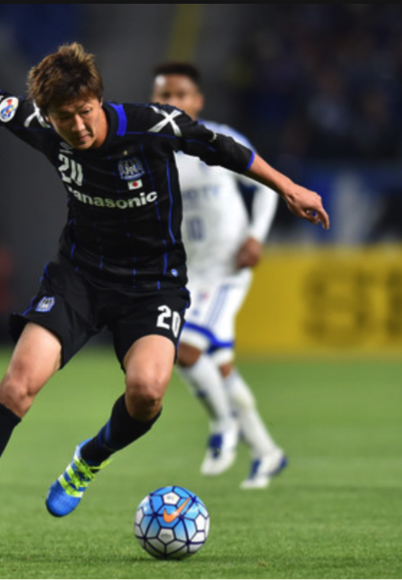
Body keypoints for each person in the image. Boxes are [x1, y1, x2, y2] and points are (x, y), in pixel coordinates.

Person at [0, 42, 329, 562]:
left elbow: (222, 148)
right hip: (78, 278)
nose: (76, 127)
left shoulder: (151, 124)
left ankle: (88, 458)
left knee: (147, 393)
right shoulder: (33, 119)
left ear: (98, 100)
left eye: (84, 113)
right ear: (47, 114)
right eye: (63, 118)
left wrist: (289, 187)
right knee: (16, 386)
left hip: (153, 284)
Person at [151, 62, 287, 489]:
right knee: (221, 367)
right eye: (164, 95)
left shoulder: (217, 141)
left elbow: (266, 185)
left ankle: (223, 427)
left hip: (227, 267)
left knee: (184, 348)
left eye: (180, 95)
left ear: (197, 101)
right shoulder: (149, 150)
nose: (172, 102)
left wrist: (256, 237)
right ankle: (266, 452)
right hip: (188, 273)